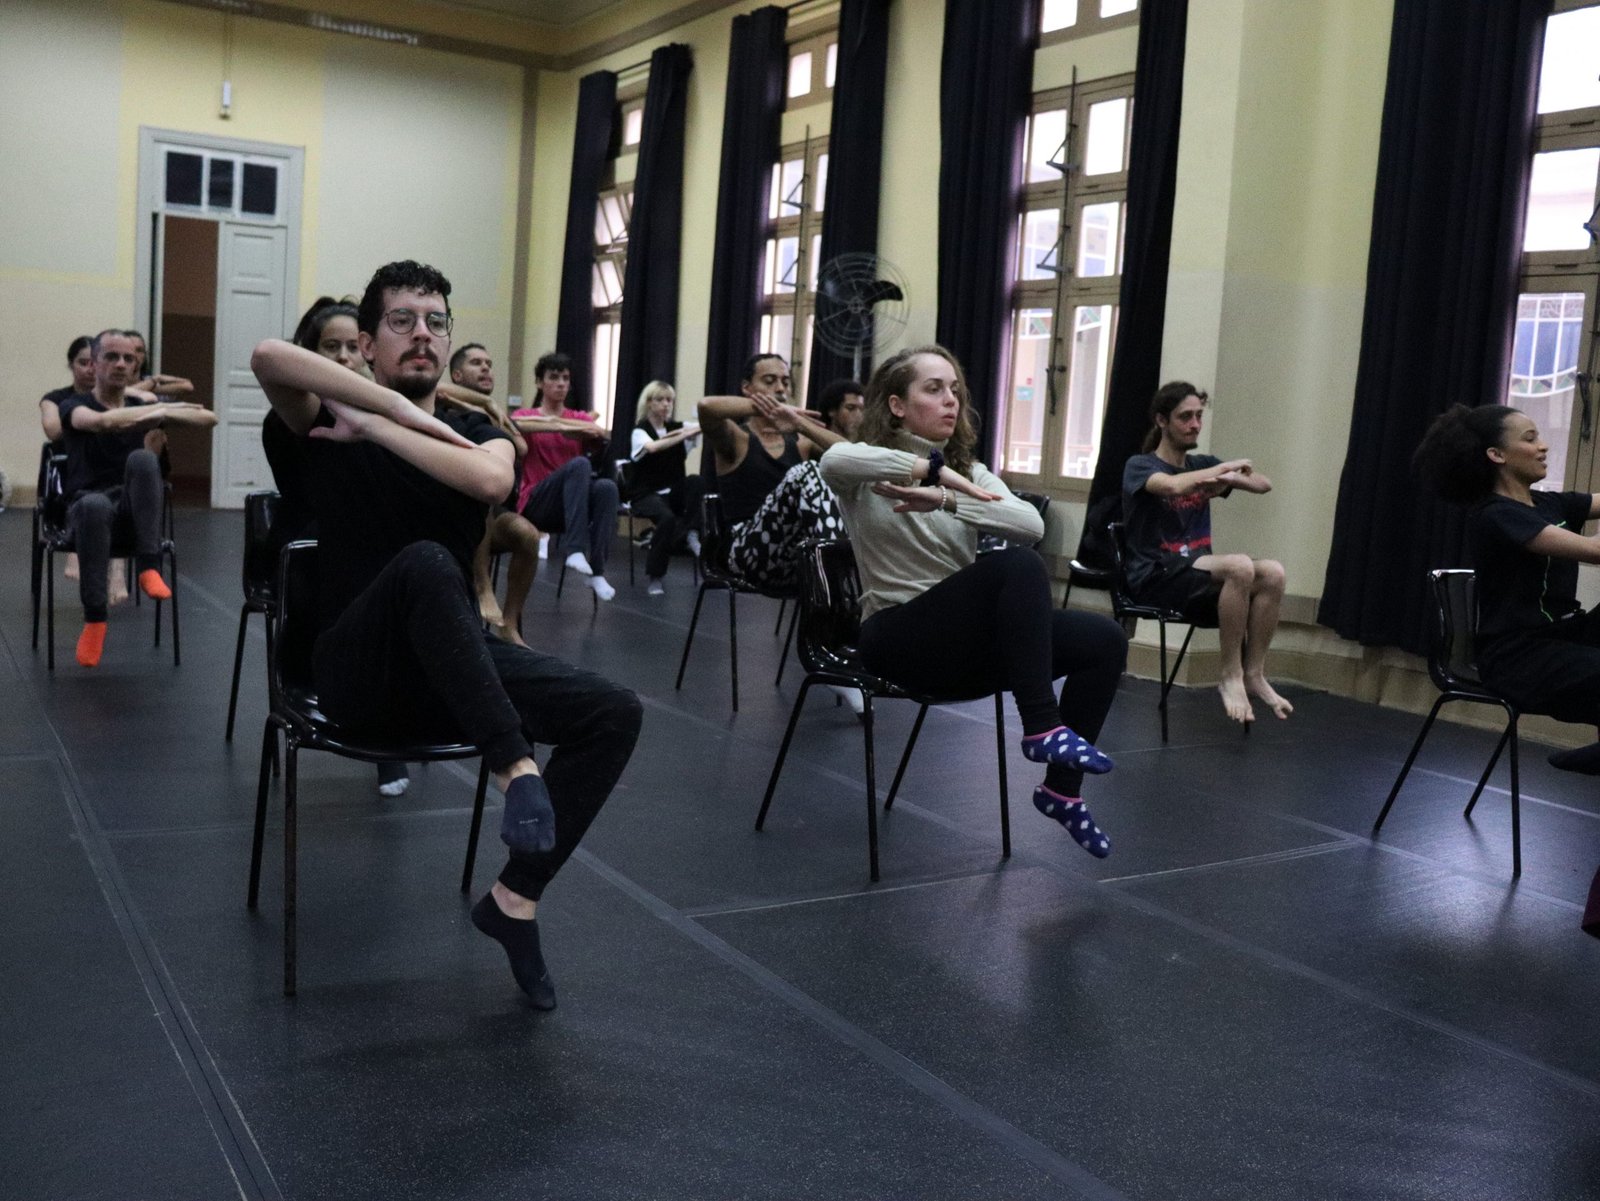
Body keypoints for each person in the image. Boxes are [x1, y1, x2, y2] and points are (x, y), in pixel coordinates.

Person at [251, 260, 641, 1009]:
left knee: (613, 710)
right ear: (364, 344)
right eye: (401, 321)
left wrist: (389, 424)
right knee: (426, 563)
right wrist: (365, 413)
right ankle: (514, 769)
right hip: (354, 671)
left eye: (435, 321)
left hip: (455, 670)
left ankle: (515, 899)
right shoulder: (320, 424)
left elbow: (494, 483)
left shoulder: (474, 431)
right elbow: (270, 357)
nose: (422, 335)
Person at [819, 346, 1127, 857]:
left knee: (1103, 638)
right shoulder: (866, 471)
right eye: (934, 389)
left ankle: (1061, 790)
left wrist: (946, 496)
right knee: (1017, 567)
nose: (951, 402)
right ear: (896, 404)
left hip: (959, 649)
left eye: (955, 391)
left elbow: (1030, 525)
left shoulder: (972, 473)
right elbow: (834, 457)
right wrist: (930, 471)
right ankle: (1043, 724)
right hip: (897, 638)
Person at [264, 297, 415, 798]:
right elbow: (272, 359)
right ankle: (375, 730)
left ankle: (399, 707)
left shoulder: (377, 412)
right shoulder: (295, 412)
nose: (346, 357)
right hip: (312, 552)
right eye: (333, 347)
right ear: (311, 351)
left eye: (355, 347)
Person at [1413, 403, 1600, 775]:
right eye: (1530, 439)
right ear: (1496, 455)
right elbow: (1595, 551)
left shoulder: (1549, 502)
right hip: (1518, 656)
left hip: (1564, 634)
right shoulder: (1495, 515)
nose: (1543, 446)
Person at [1121, 382, 1290, 725]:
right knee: (1239, 566)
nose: (1195, 424)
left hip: (1196, 578)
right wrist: (1216, 472)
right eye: (1185, 417)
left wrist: (1228, 478)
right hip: (1156, 578)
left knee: (1273, 572)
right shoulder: (1139, 465)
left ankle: (1253, 673)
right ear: (1162, 421)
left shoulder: (1202, 464)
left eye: (1198, 416)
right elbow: (1170, 485)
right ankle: (1229, 675)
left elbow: (1263, 484)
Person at [59, 329, 217, 667]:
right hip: (86, 515)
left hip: (131, 516)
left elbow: (208, 417)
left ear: (136, 367)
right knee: (94, 505)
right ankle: (96, 620)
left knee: (144, 460)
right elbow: (99, 422)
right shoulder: (73, 404)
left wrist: (153, 411)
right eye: (111, 357)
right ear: (95, 364)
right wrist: (154, 412)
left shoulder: (139, 404)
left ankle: (148, 567)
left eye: (128, 358)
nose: (120, 364)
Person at [699, 353, 848, 593]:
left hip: (794, 559)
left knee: (836, 475)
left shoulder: (801, 443)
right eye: (769, 381)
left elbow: (851, 454)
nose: (780, 388)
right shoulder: (737, 440)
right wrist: (770, 408)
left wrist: (801, 425)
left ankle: (835, 590)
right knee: (808, 470)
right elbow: (706, 407)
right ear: (747, 388)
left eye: (785, 382)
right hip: (745, 556)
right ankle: (837, 583)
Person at [439, 342, 543, 644]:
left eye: (488, 363)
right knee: (480, 488)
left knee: (526, 534)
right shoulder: (445, 406)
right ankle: (481, 583)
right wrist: (476, 407)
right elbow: (440, 389)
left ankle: (509, 624)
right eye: (476, 363)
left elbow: (521, 448)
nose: (486, 368)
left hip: (494, 515)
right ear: (457, 375)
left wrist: (489, 410)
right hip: (455, 513)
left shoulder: (493, 413)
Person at [511, 352, 619, 602]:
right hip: (538, 503)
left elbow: (601, 433)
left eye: (565, 378)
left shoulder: (578, 417)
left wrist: (586, 430)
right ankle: (575, 549)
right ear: (540, 382)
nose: (561, 383)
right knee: (579, 464)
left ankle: (597, 571)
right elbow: (515, 425)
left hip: (572, 508)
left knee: (606, 488)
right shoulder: (526, 415)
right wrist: (561, 426)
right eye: (554, 377)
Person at [628, 379, 703, 595]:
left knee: (696, 481)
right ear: (649, 403)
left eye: (669, 400)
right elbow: (652, 448)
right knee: (667, 519)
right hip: (645, 494)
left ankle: (691, 533)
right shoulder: (640, 431)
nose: (666, 404)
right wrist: (684, 434)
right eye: (660, 400)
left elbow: (704, 425)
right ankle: (655, 577)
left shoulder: (678, 428)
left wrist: (690, 430)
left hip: (672, 493)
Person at [817, 378, 866, 442]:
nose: (858, 415)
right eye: (850, 408)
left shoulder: (866, 446)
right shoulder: (811, 444)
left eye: (862, 409)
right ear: (832, 410)